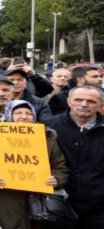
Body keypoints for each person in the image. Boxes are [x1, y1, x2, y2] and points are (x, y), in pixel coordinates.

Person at [0, 100, 69, 229]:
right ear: (9, 115)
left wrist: (56, 179)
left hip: (39, 199)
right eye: (18, 113)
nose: (24, 116)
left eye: (28, 113)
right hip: (4, 197)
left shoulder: (46, 137)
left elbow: (60, 167)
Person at [45, 85, 104, 227]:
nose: (84, 104)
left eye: (90, 101)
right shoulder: (48, 126)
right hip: (59, 204)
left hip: (98, 207)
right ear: (69, 101)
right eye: (78, 100)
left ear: (101, 105)